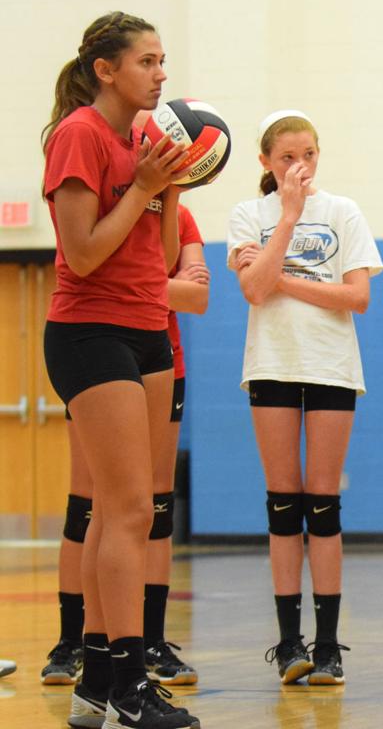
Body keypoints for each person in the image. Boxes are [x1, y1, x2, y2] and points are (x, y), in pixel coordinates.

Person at [41, 11, 199, 729]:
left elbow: (164, 259)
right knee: (131, 510)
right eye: (147, 60)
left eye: (163, 60)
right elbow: (80, 254)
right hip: (89, 331)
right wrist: (139, 186)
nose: (160, 73)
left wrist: (167, 188)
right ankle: (131, 683)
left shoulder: (142, 139)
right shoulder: (78, 133)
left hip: (146, 331)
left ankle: (96, 685)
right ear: (106, 69)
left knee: (121, 510)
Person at [228, 110, 383, 686]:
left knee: (323, 505)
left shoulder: (343, 211)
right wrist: (288, 218)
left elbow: (358, 297)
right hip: (270, 364)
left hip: (331, 367)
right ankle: (289, 643)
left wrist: (280, 279)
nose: (301, 165)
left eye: (309, 153)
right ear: (266, 162)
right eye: (288, 156)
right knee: (281, 505)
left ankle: (327, 647)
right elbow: (249, 289)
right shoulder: (250, 214)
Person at [44, 203, 208, 690]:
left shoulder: (178, 212)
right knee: (90, 504)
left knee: (150, 506)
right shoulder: (97, 201)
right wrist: (154, 283)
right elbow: (88, 265)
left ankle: (147, 642)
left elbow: (197, 297)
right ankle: (75, 642)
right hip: (99, 353)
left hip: (159, 357)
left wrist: (144, 282)